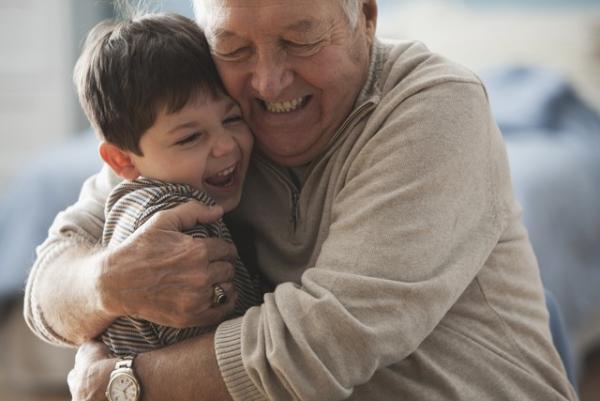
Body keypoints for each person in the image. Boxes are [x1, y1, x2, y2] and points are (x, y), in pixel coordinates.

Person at [24, 0, 578, 400]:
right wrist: (105, 281)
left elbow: (324, 341)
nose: (267, 82)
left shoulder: (437, 108)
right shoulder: (221, 121)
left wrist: (123, 384)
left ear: (365, 16)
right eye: (234, 47)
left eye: (302, 39)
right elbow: (50, 277)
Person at [71, 12, 262, 357]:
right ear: (122, 161)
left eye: (232, 118)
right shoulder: (179, 224)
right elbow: (223, 360)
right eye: (190, 137)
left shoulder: (133, 198)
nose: (225, 145)